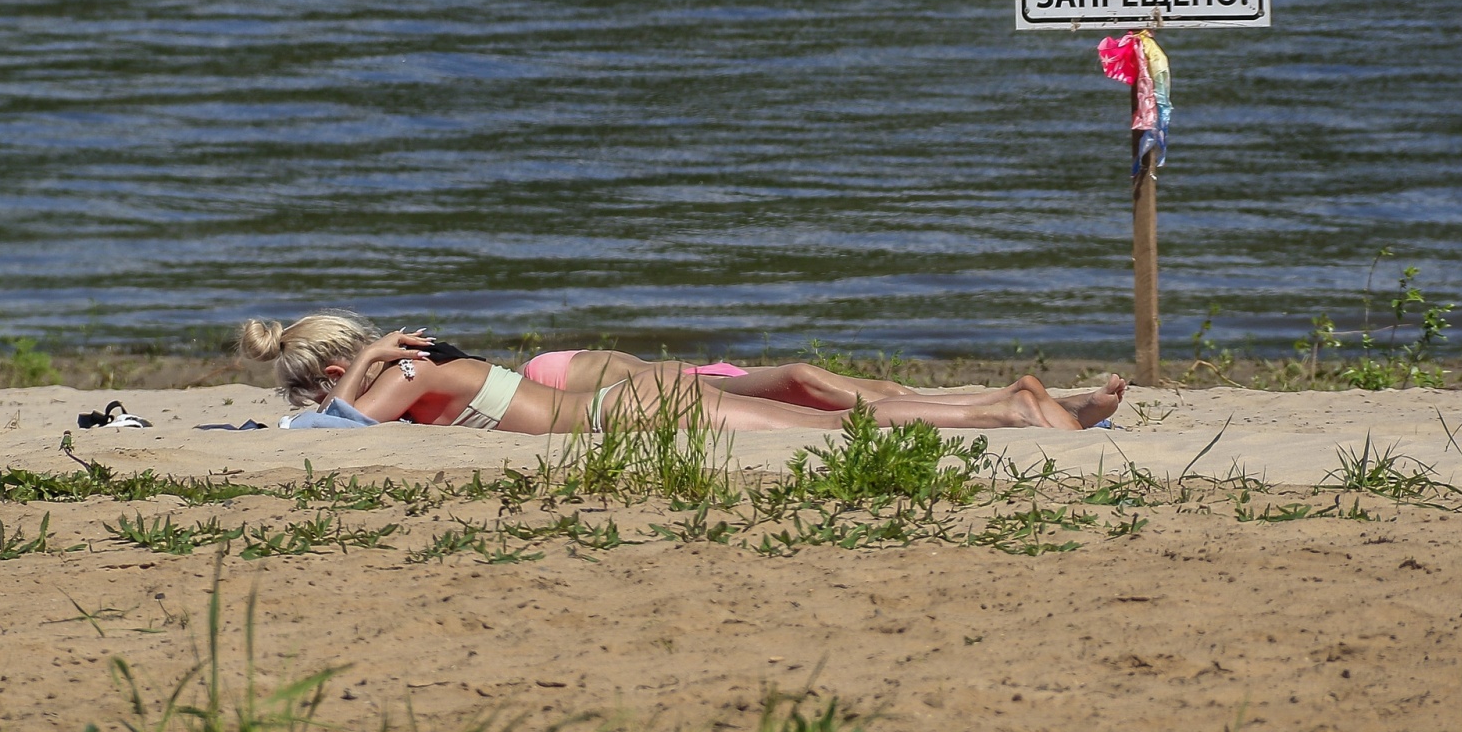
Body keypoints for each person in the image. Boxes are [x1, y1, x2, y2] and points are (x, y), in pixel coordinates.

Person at [236, 311, 1104, 433]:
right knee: (808, 391)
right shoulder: (421, 377)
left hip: (634, 416)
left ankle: (1017, 417)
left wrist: (372, 369)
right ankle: (1009, 398)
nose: (317, 400)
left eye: (318, 383)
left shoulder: (408, 381)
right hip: (635, 400)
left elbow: (330, 437)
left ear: (338, 371)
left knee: (841, 431)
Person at [521, 348, 1124, 429]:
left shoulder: (541, 375)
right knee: (817, 385)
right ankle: (1023, 403)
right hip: (695, 382)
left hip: (696, 380)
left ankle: (1042, 402)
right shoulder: (542, 374)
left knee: (876, 388)